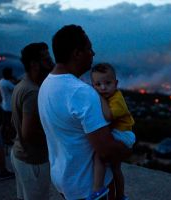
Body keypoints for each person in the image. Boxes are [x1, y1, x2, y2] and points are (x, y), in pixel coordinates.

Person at [38, 24, 131, 200]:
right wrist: (127, 149)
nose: (93, 53)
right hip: (88, 188)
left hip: (63, 180)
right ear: (77, 53)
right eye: (89, 48)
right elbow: (105, 150)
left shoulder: (47, 84)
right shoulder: (81, 92)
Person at [10, 42, 54, 200]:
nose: (51, 63)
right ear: (34, 64)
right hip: (33, 161)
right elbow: (28, 133)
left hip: (19, 154)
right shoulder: (33, 92)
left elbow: (15, 122)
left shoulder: (21, 84)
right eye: (47, 59)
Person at [90, 63, 135, 200]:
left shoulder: (117, 99)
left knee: (99, 155)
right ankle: (121, 196)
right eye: (98, 84)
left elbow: (108, 116)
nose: (103, 88)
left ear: (116, 83)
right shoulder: (110, 96)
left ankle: (97, 189)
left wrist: (101, 98)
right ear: (93, 85)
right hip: (121, 132)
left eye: (107, 83)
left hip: (123, 134)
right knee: (116, 169)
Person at [0, 67, 16, 145]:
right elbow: (15, 89)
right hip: (9, 107)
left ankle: (3, 138)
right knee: (9, 125)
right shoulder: (7, 83)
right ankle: (7, 139)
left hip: (4, 105)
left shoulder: (1, 81)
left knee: (5, 124)